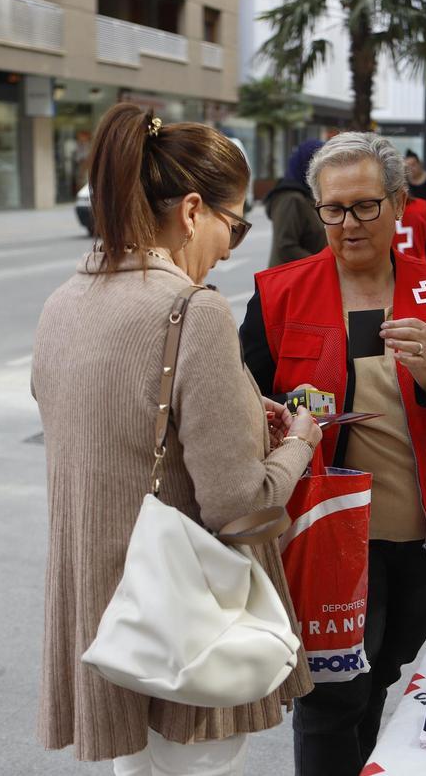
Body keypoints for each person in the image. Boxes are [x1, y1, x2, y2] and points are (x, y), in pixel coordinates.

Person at [32, 104, 323, 776]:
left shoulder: (63, 302)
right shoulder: (195, 309)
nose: (232, 244)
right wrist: (299, 439)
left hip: (103, 614)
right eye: (235, 222)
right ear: (193, 210)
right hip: (182, 619)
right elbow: (237, 502)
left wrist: (246, 408)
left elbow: (119, 431)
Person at [239, 132, 426, 776]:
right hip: (325, 536)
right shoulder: (280, 295)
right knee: (331, 696)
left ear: (399, 204)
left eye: (364, 207)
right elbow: (240, 406)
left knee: (380, 676)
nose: (347, 224)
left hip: (423, 532)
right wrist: (280, 422)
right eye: (333, 209)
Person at [265, 138, 327, 267]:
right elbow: (285, 246)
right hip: (291, 279)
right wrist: (321, 263)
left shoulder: (308, 195)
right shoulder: (291, 199)